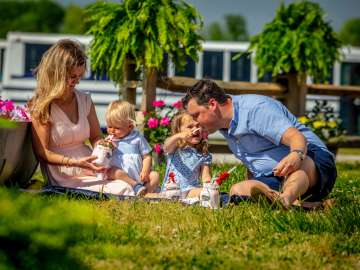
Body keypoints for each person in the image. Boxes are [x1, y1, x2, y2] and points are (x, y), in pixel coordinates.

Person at [182, 79, 337, 209]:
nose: (195, 122)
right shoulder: (223, 125)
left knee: (300, 168)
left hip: (313, 160)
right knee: (238, 190)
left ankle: (286, 199)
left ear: (212, 104)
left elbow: (297, 137)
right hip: (276, 176)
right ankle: (308, 206)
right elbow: (254, 160)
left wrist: (296, 155)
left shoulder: (255, 109)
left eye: (196, 115)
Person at [30, 39, 134, 196]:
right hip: (64, 174)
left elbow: (96, 136)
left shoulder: (84, 100)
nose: (77, 81)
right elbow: (43, 153)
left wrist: (103, 147)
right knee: (122, 189)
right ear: (57, 73)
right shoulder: (43, 106)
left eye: (79, 76)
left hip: (90, 165)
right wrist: (75, 162)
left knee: (126, 182)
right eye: (72, 76)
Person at [105, 100, 160, 196]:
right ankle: (135, 186)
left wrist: (145, 170)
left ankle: (145, 192)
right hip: (121, 177)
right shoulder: (110, 140)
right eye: (109, 126)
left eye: (117, 128)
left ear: (130, 126)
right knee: (113, 171)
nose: (112, 131)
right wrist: (107, 147)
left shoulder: (137, 138)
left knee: (155, 175)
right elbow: (103, 156)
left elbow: (147, 156)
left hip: (139, 176)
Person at [156, 112, 212, 199]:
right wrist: (179, 136)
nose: (196, 129)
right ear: (178, 130)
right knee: (153, 196)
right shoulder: (175, 147)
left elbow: (205, 176)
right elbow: (166, 147)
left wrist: (210, 186)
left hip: (190, 190)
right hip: (171, 190)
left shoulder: (203, 154)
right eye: (190, 127)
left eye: (198, 125)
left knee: (206, 193)